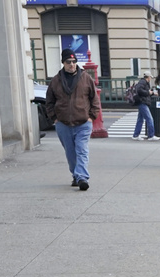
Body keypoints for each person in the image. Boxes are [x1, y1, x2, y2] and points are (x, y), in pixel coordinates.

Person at [45, 48, 99, 191]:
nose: (72, 64)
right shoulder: (56, 80)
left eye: (74, 61)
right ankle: (75, 175)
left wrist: (91, 116)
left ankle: (82, 177)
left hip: (83, 122)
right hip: (63, 123)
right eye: (69, 62)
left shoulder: (86, 78)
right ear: (63, 63)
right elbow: (49, 101)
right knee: (70, 152)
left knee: (82, 150)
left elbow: (94, 99)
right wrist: (54, 118)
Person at [132, 72, 157, 141]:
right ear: (148, 77)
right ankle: (151, 135)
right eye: (150, 77)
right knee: (149, 119)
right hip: (142, 102)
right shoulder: (143, 82)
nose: (150, 79)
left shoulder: (143, 82)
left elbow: (142, 91)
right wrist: (149, 92)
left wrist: (151, 93)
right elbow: (140, 90)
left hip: (141, 101)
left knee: (140, 119)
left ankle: (136, 135)